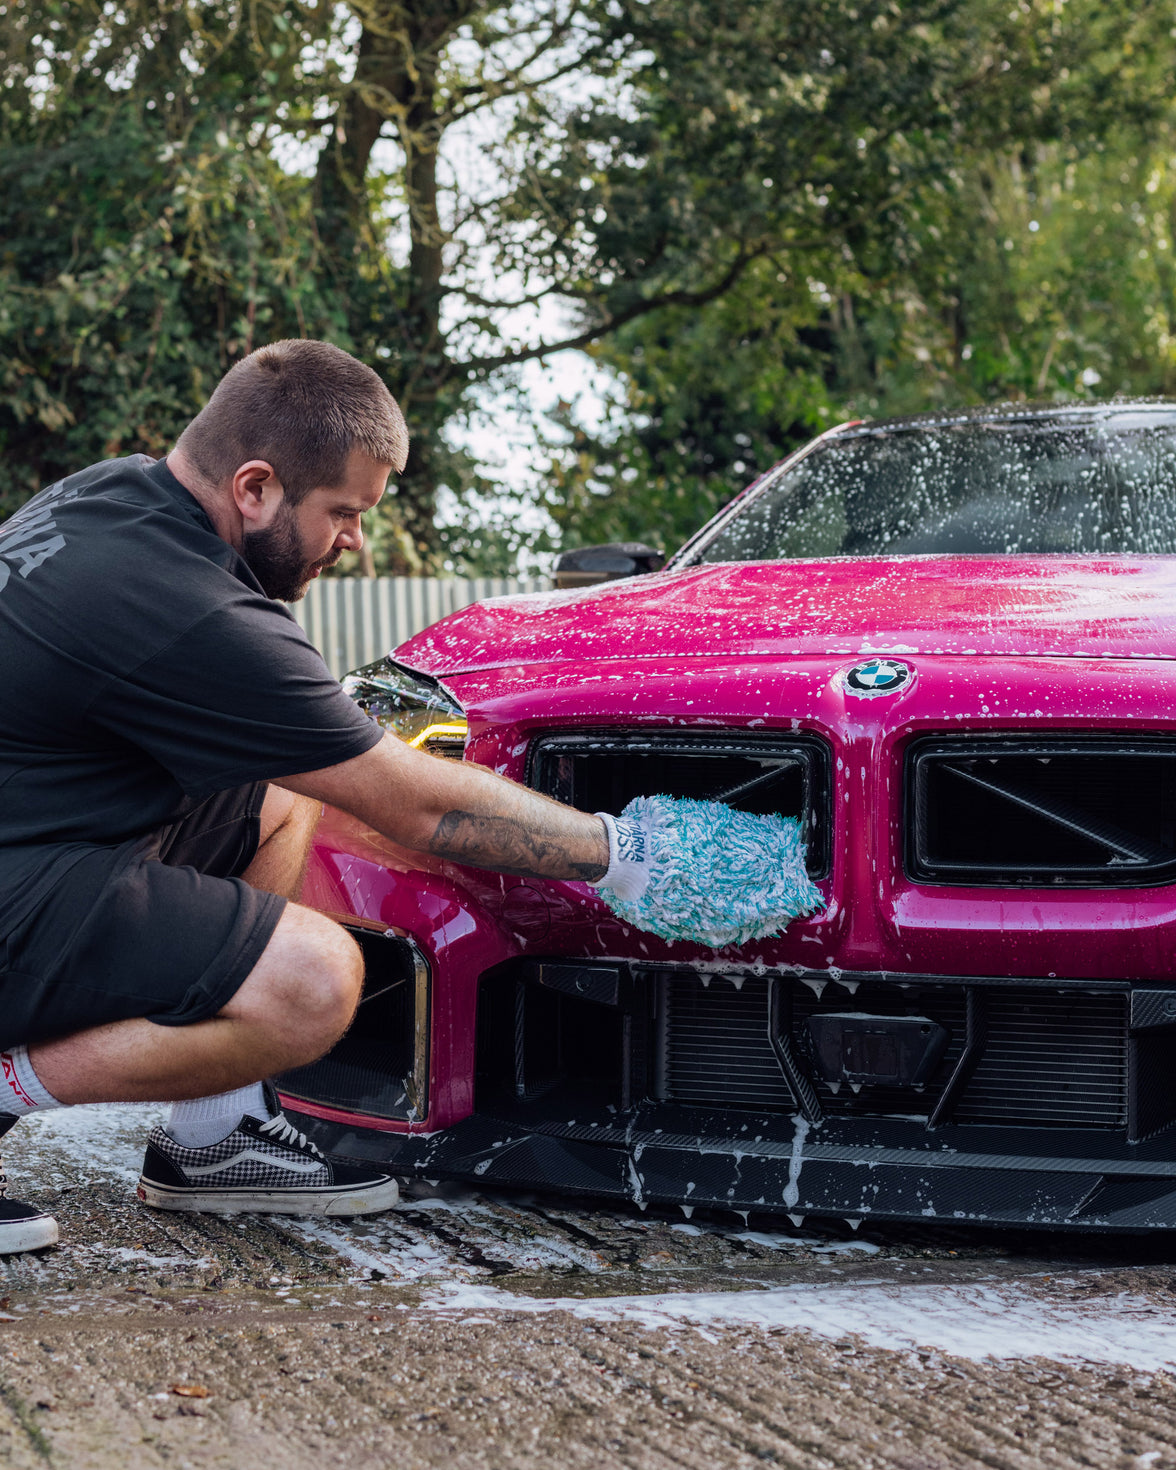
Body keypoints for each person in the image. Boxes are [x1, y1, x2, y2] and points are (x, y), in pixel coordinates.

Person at [0, 339, 644, 1254]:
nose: (355, 541)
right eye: (343, 512)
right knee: (315, 982)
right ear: (256, 488)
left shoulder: (111, 495)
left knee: (283, 788)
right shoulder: (189, 606)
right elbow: (419, 805)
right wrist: (626, 852)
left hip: (29, 840)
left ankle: (217, 1132)